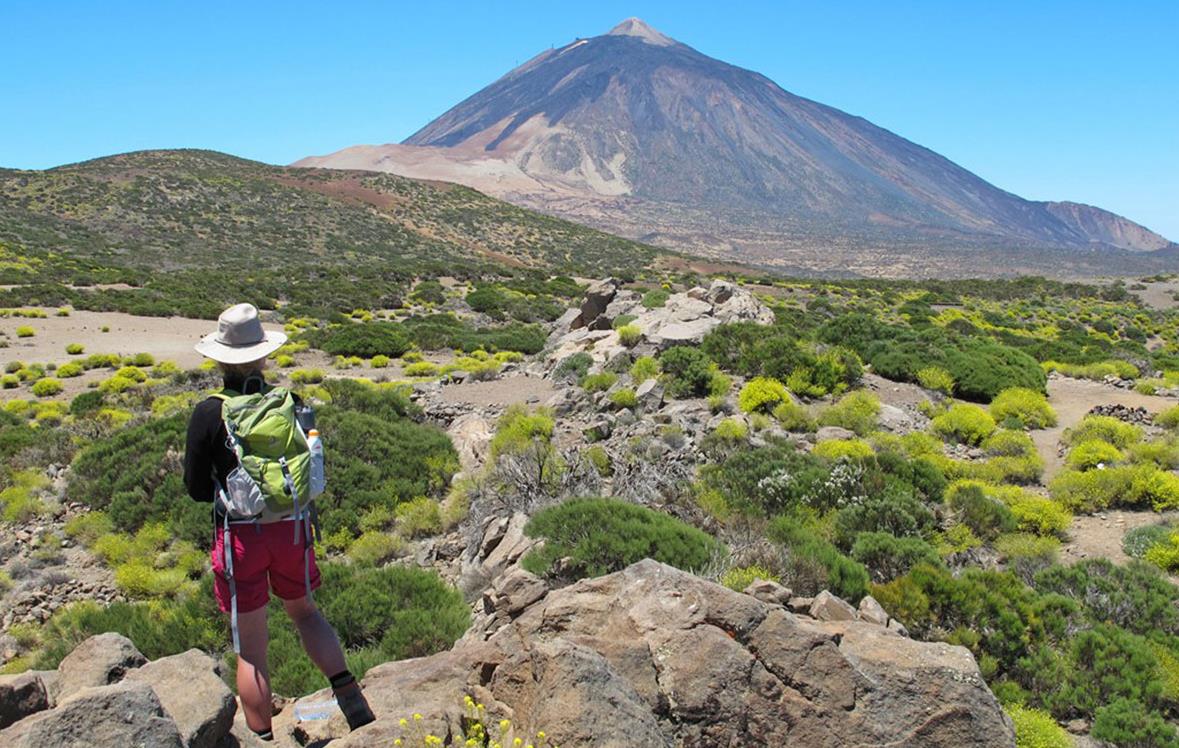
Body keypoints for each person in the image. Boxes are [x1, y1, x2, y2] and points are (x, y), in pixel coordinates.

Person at [183, 303, 374, 740]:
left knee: (252, 649)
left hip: (242, 538)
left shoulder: (209, 413)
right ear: (263, 355)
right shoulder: (290, 403)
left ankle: (262, 737)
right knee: (306, 613)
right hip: (292, 529)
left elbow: (196, 488)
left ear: (219, 358)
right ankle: (351, 698)